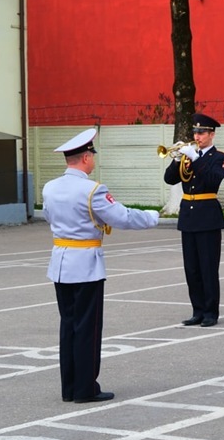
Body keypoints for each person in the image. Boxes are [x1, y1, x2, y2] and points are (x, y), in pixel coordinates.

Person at [43, 128, 159, 403]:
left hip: (60, 262)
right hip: (85, 265)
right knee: (88, 328)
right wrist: (153, 216)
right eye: (92, 155)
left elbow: (49, 216)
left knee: (68, 326)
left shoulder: (50, 187)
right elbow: (122, 217)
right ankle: (85, 388)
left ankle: (70, 387)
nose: (94, 160)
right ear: (85, 158)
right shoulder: (92, 189)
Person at [164, 113, 224, 328]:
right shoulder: (188, 156)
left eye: (201, 132)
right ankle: (197, 310)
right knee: (191, 268)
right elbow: (170, 179)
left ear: (211, 134)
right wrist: (177, 160)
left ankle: (211, 312)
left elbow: (213, 180)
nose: (197, 135)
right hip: (189, 215)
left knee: (208, 267)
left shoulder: (220, 157)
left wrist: (196, 158)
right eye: (195, 132)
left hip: (207, 214)